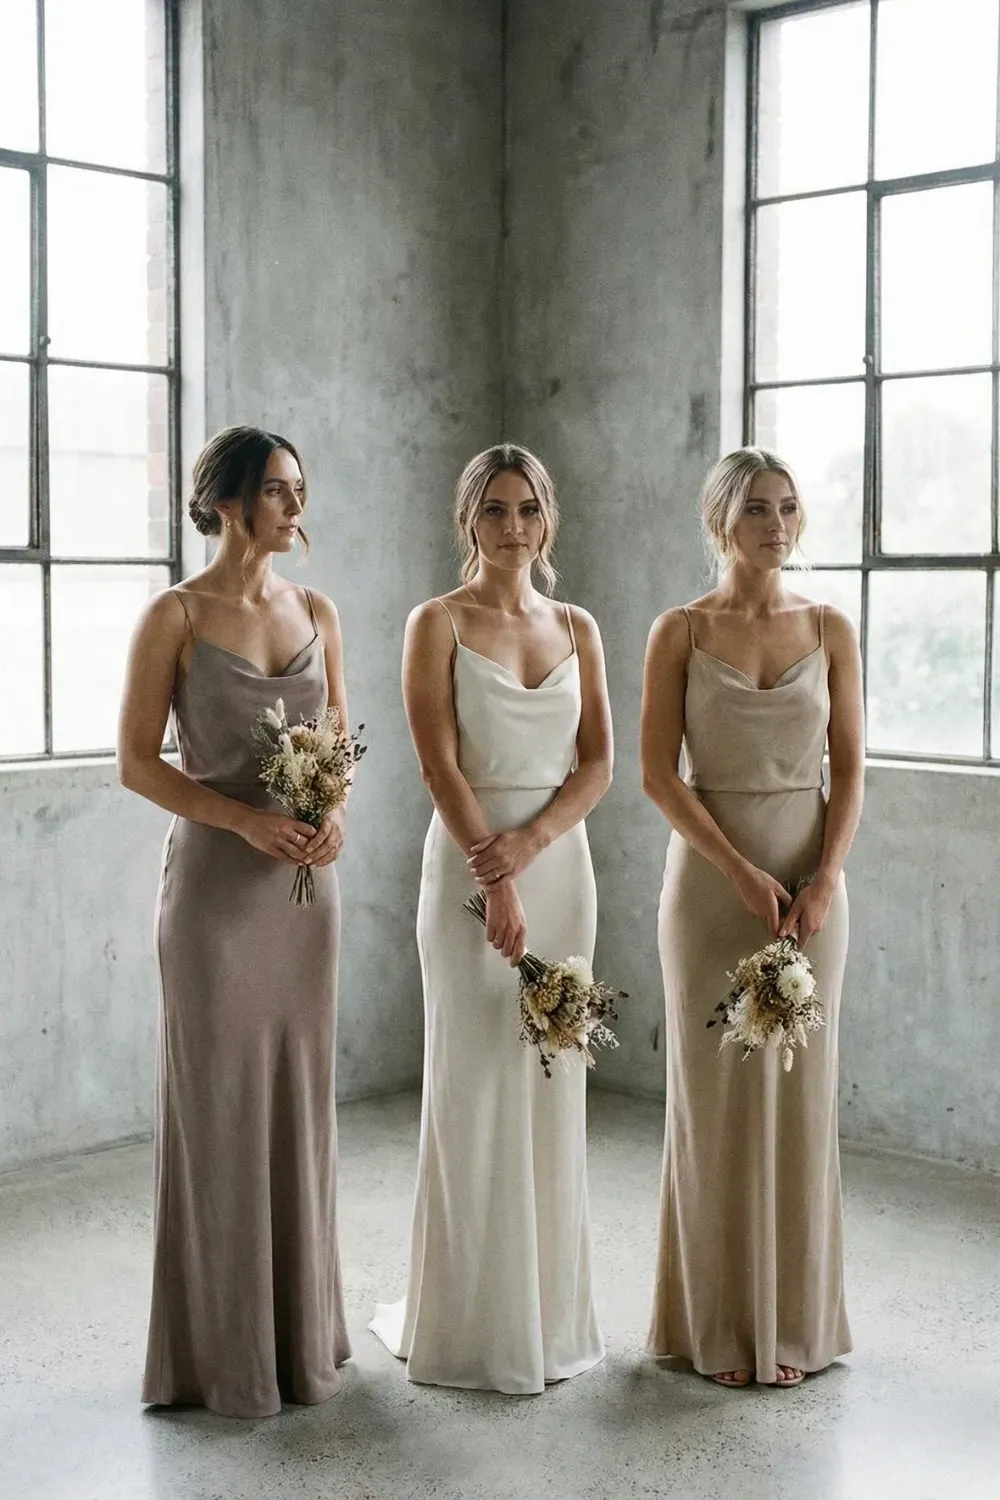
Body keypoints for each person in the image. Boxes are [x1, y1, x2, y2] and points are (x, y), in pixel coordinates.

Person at [118, 425, 352, 1418]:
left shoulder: (317, 608)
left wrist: (330, 814)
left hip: (304, 898)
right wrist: (245, 819)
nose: (296, 507)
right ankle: (221, 1357)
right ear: (225, 501)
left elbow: (338, 736)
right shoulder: (173, 614)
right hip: (216, 889)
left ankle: (297, 1345)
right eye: (278, 491)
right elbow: (136, 762)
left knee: (298, 1107)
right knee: (216, 1109)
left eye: (300, 490)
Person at [370, 443, 613, 1393]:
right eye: (495, 511)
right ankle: (471, 1324)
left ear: (547, 520)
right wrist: (495, 873)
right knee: (471, 1083)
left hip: (560, 869)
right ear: (468, 519)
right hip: (469, 864)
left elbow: (596, 765)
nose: (513, 529)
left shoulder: (579, 625)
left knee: (553, 1084)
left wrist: (535, 846)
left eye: (528, 511)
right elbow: (437, 762)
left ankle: (546, 1320)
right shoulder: (436, 622)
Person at [640, 447, 864, 1389]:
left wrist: (822, 877)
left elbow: (848, 768)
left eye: (788, 508)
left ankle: (796, 1325)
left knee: (801, 1101)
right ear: (719, 524)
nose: (778, 525)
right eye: (758, 510)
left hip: (811, 881)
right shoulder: (679, 631)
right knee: (715, 1099)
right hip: (710, 885)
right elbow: (657, 772)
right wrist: (733, 867)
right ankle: (717, 1327)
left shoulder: (831, 627)